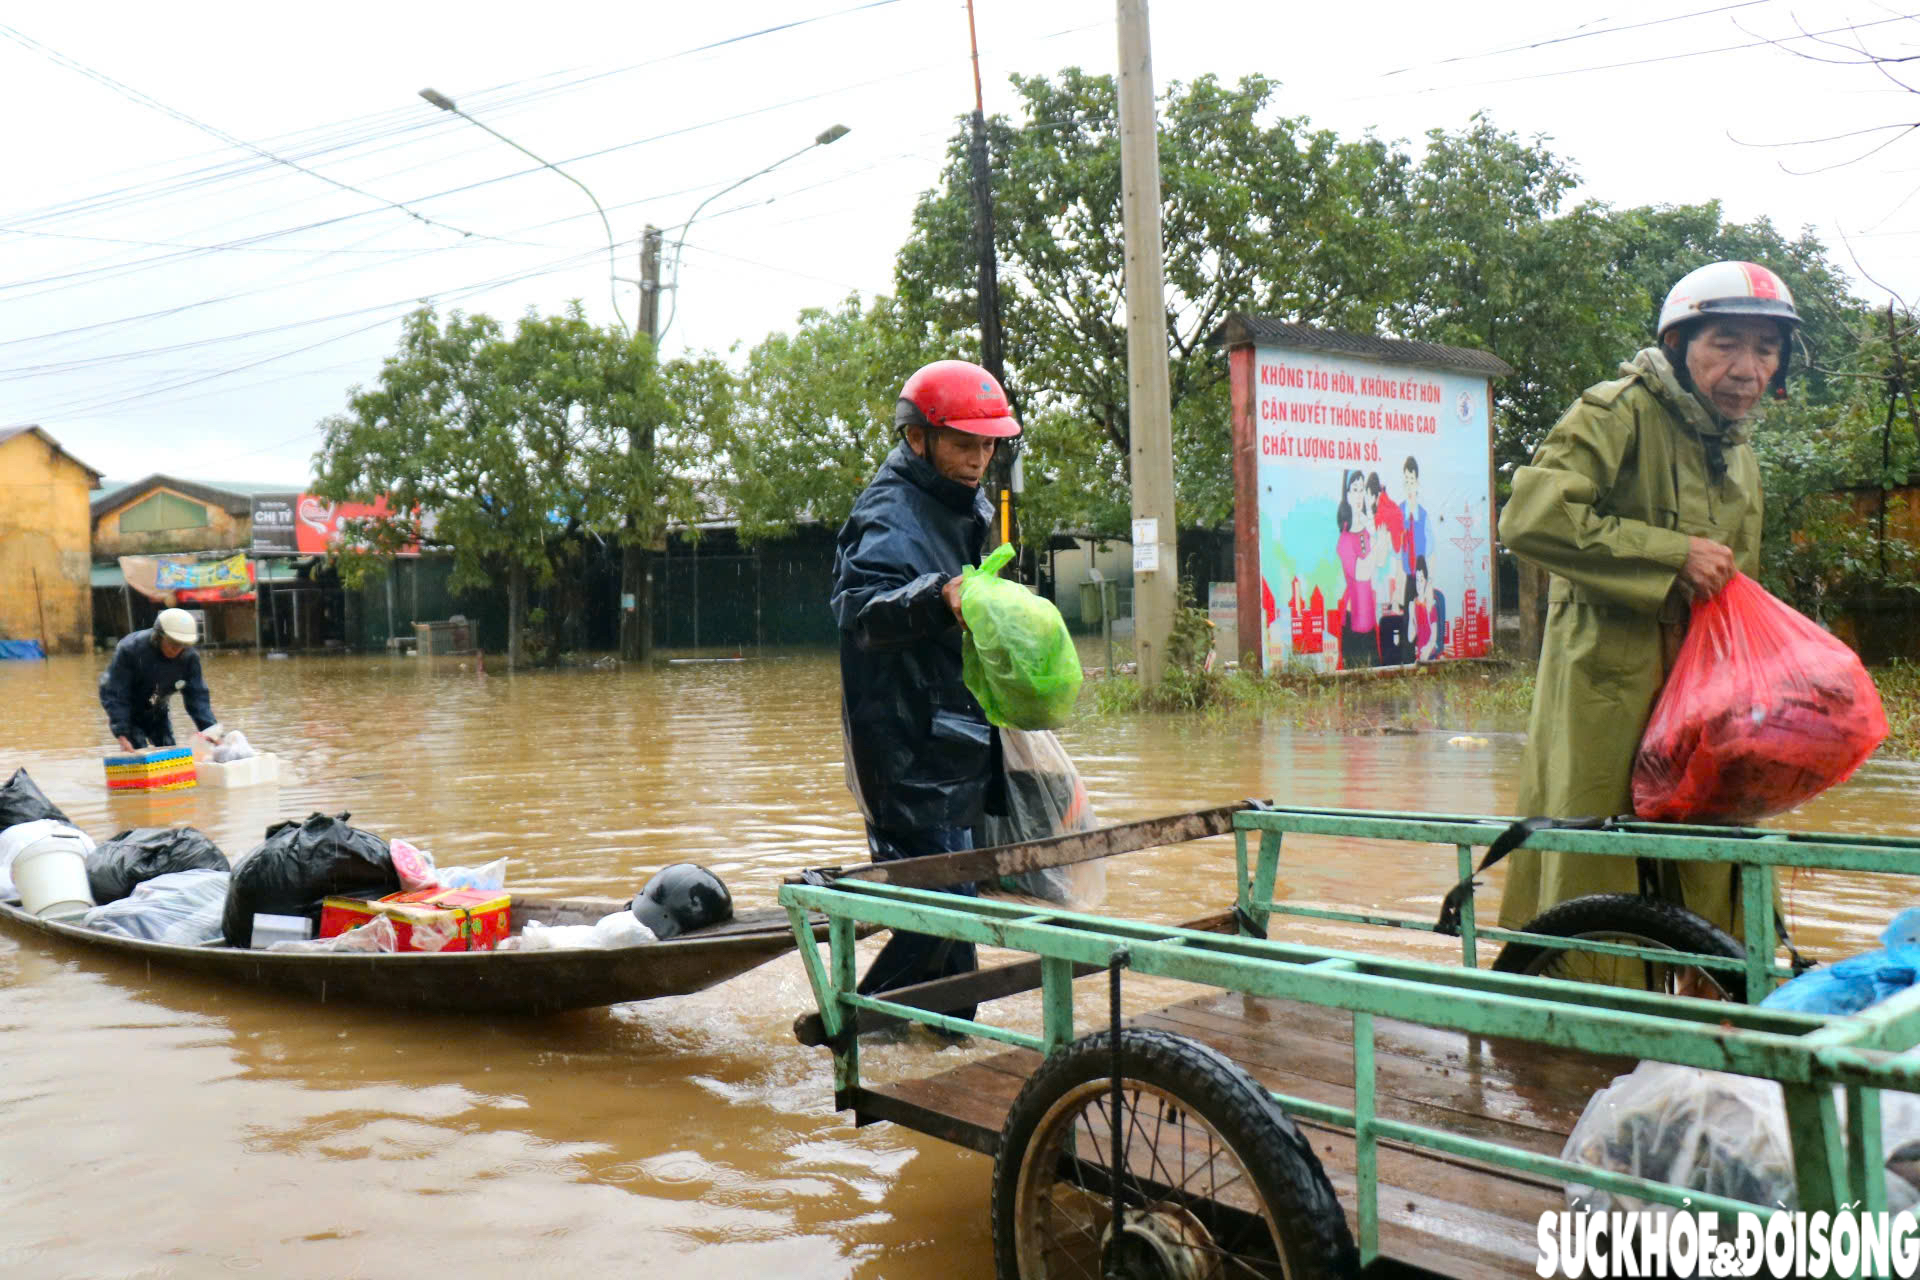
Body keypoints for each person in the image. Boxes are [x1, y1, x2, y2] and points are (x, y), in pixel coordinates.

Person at [1497, 260, 1799, 938]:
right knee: (1596, 850)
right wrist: (1670, 554)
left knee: (1714, 847)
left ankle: (1712, 998)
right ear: (1678, 344)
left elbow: (1735, 579)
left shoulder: (1740, 452)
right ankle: (1577, 1026)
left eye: (1766, 349)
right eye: (1726, 343)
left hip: (1706, 685)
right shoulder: (1618, 411)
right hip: (1610, 677)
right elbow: (1530, 518)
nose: (1748, 368)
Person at [830, 358, 1019, 1020]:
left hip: (958, 739)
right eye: (965, 443)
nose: (979, 458)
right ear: (919, 438)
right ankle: (851, 1032)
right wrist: (937, 596)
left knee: (955, 918)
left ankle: (942, 1042)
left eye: (989, 443)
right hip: (905, 749)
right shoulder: (886, 513)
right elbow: (860, 611)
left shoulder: (962, 502)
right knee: (945, 913)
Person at [99, 607, 225, 751]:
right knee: (138, 750)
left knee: (169, 752)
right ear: (158, 636)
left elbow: (198, 698)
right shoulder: (130, 650)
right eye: (172, 643)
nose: (176, 649)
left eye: (182, 645)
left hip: (157, 710)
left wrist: (213, 733)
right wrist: (121, 732)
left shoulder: (189, 658)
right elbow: (114, 692)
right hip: (129, 711)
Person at [1335, 469, 1379, 668]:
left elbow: (1380, 560)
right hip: (1353, 621)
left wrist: (1375, 534)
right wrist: (1377, 539)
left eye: (1362, 489)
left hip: (1369, 618)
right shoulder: (1344, 539)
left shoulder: (1367, 532)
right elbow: (1361, 573)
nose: (1359, 494)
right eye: (1355, 489)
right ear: (1347, 494)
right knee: (1355, 683)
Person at [1411, 556, 1446, 663]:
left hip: (1429, 652)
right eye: (1416, 581)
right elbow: (1413, 634)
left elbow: (1433, 638)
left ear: (1426, 581)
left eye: (1421, 580)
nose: (1418, 585)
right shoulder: (1414, 604)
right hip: (1420, 651)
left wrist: (1426, 652)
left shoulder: (1431, 604)